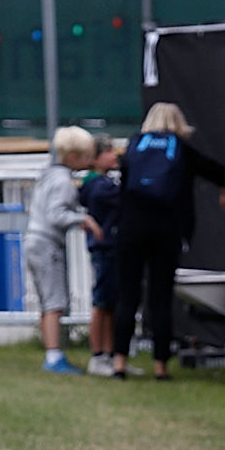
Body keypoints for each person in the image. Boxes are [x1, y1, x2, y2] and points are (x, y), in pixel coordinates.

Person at [112, 102, 225, 380]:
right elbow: (220, 173)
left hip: (130, 229)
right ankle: (160, 367)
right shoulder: (181, 149)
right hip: (166, 230)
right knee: (160, 298)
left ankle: (119, 362)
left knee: (127, 295)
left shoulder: (135, 146)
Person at [24, 125, 102, 375]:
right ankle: (54, 356)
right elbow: (56, 214)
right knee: (55, 301)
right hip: (47, 244)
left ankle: (52, 350)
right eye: (86, 156)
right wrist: (83, 219)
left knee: (48, 300)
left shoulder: (48, 175)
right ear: (73, 158)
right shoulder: (63, 182)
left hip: (34, 240)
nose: (90, 161)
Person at [77, 135, 132, 377]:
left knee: (111, 304)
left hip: (110, 249)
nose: (114, 155)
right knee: (101, 303)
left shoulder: (100, 183)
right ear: (95, 158)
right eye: (109, 152)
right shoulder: (99, 186)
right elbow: (121, 197)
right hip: (104, 250)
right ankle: (97, 354)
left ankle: (110, 354)